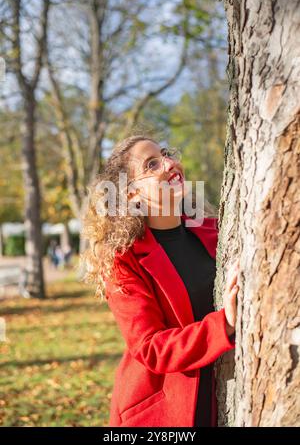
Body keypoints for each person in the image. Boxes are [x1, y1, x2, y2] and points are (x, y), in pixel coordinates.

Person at [81, 134, 240, 427]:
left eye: (165, 154)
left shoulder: (218, 231)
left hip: (228, 394)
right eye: (152, 164)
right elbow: (149, 346)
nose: (168, 164)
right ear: (131, 194)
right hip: (165, 410)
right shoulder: (122, 260)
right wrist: (224, 324)